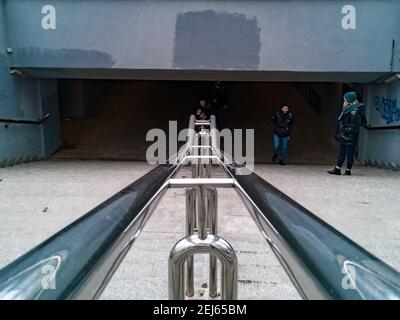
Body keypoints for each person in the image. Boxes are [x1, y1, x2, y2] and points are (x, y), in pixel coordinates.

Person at [327, 91, 367, 176]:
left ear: (350, 100)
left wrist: (344, 131)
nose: (343, 102)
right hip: (345, 135)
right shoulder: (348, 109)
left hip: (350, 136)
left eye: (345, 100)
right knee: (341, 152)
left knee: (349, 153)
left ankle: (348, 170)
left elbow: (354, 127)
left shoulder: (354, 111)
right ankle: (337, 169)